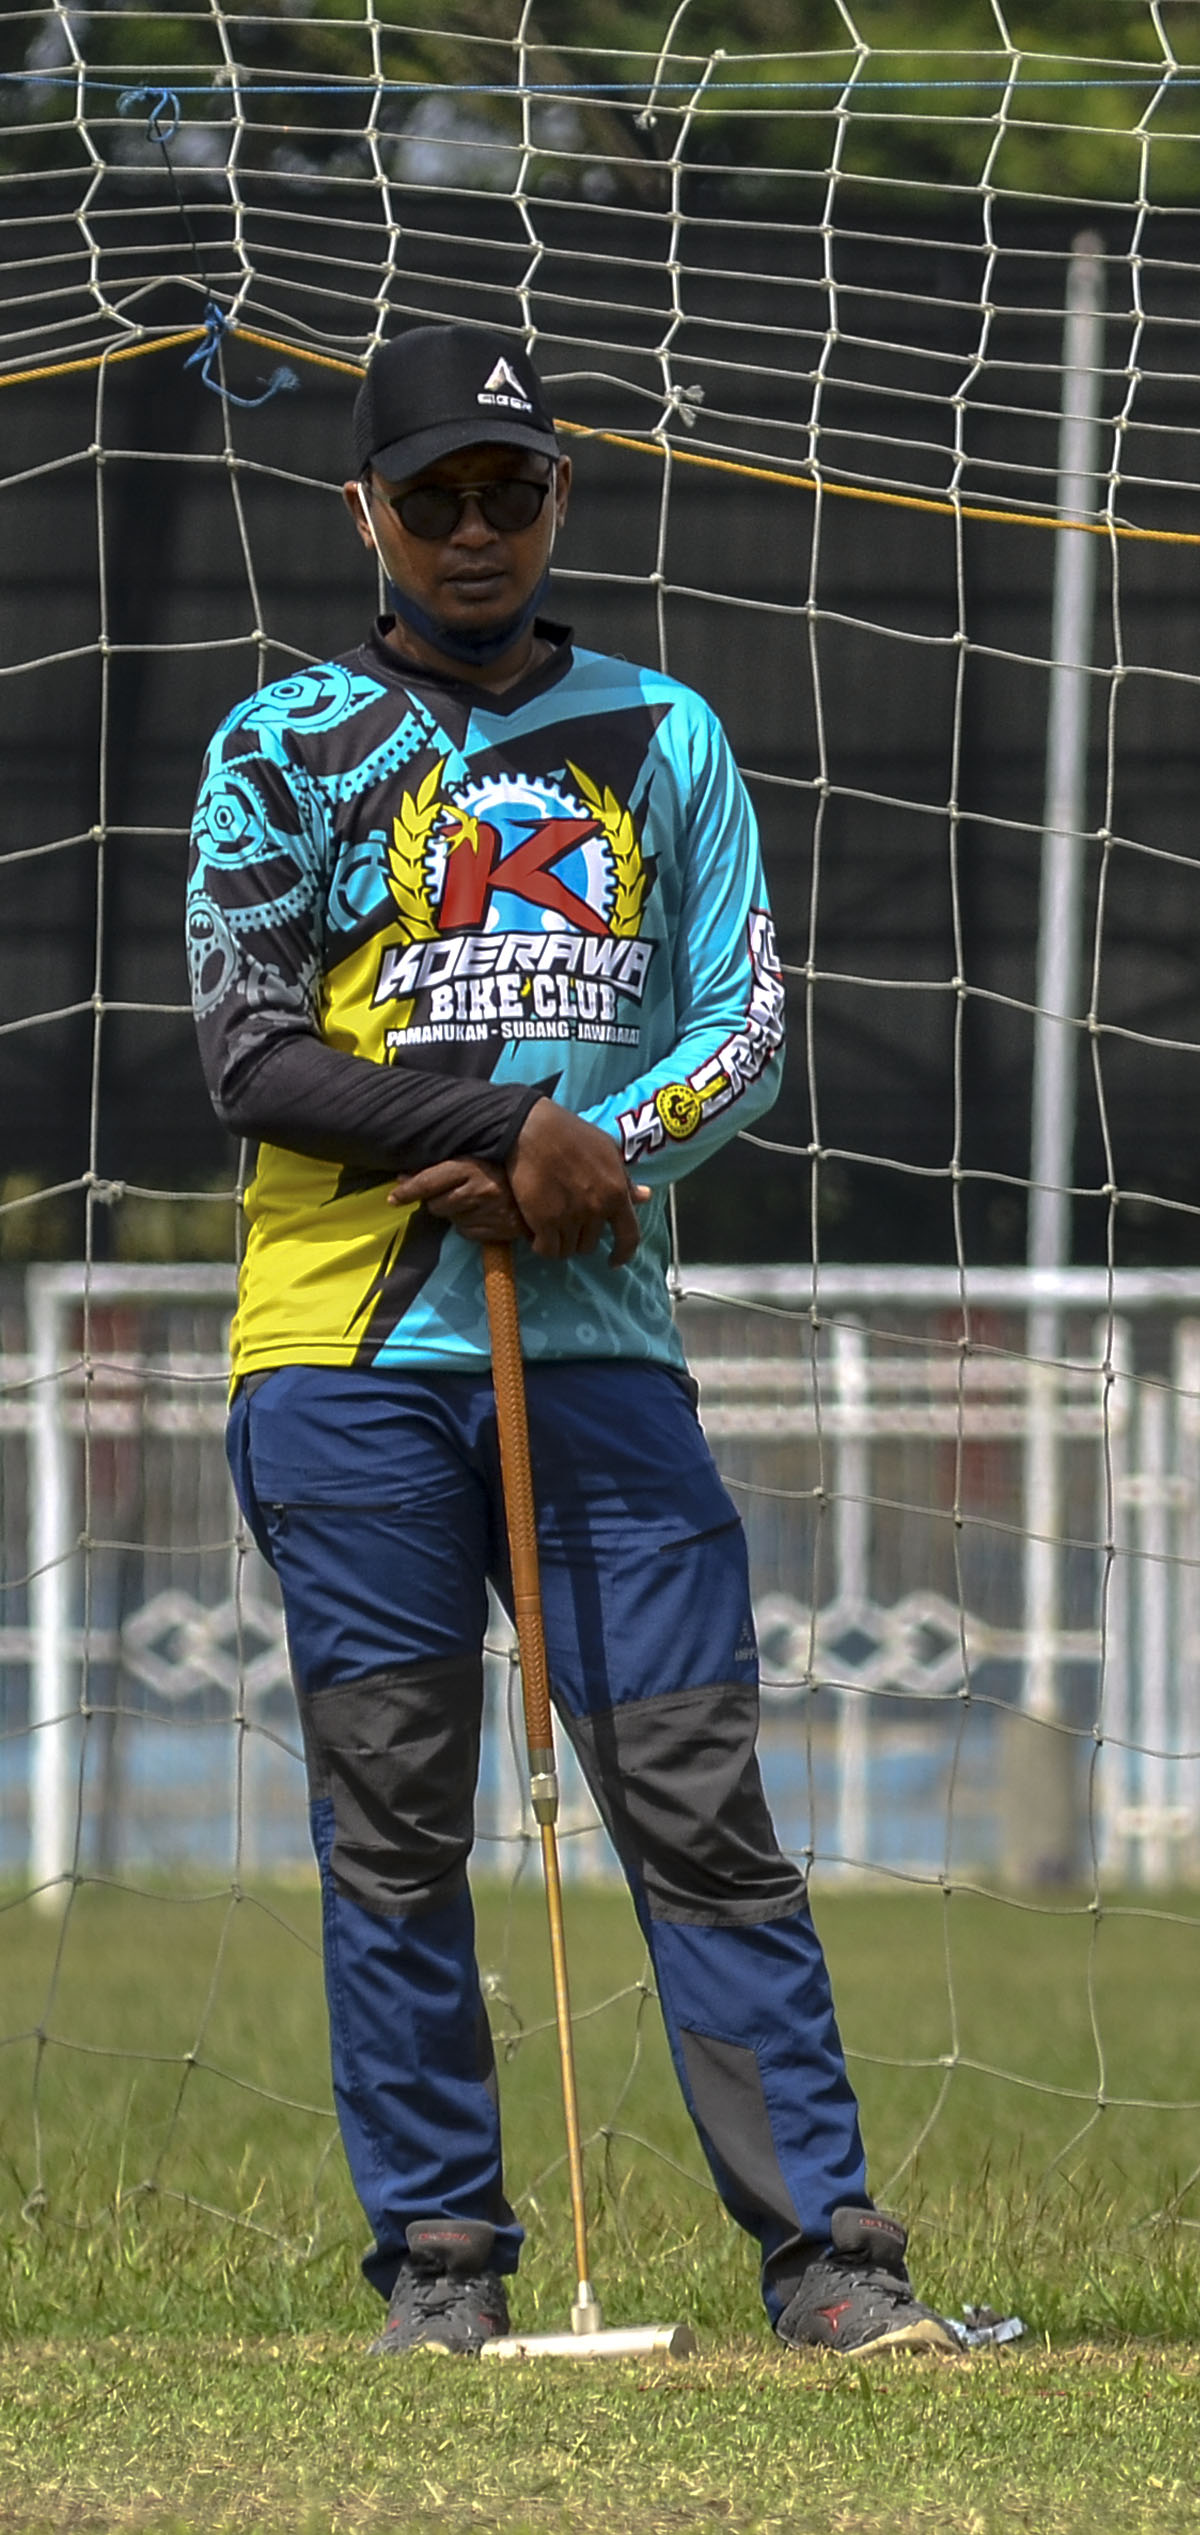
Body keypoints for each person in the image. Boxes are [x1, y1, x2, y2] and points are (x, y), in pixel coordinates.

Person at [184, 324, 946, 2355]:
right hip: (343, 1370)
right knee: (396, 1829)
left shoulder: (664, 734)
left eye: (505, 488)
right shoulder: (281, 746)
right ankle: (442, 2266)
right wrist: (491, 1127)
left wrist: (583, 1153)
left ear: (559, 501)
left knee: (698, 1806)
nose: (469, 527)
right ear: (363, 510)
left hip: (598, 1359)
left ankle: (831, 2262)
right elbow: (252, 1058)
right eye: (428, 493)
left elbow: (746, 1028)